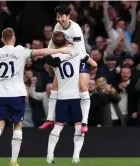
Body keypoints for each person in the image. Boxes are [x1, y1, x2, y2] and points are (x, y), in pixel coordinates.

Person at [0, 27, 73, 166]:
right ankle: (13, 161)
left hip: (0, 94)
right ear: (14, 39)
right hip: (17, 94)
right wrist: (60, 50)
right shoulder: (21, 50)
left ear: (2, 40)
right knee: (17, 126)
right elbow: (42, 51)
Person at [40, 5, 97, 133]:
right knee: (54, 85)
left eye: (61, 16)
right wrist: (48, 56)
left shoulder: (75, 29)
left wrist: (59, 59)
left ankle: (84, 122)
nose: (59, 19)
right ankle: (49, 119)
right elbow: (52, 44)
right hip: (65, 58)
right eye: (57, 16)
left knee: (82, 86)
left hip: (80, 58)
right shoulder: (57, 27)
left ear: (68, 16)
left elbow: (77, 51)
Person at [46, 31, 87, 164]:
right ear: (66, 41)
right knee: (78, 127)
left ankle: (49, 156)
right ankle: (75, 157)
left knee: (58, 127)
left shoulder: (52, 57)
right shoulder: (73, 51)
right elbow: (89, 60)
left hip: (62, 96)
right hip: (76, 96)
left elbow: (51, 71)